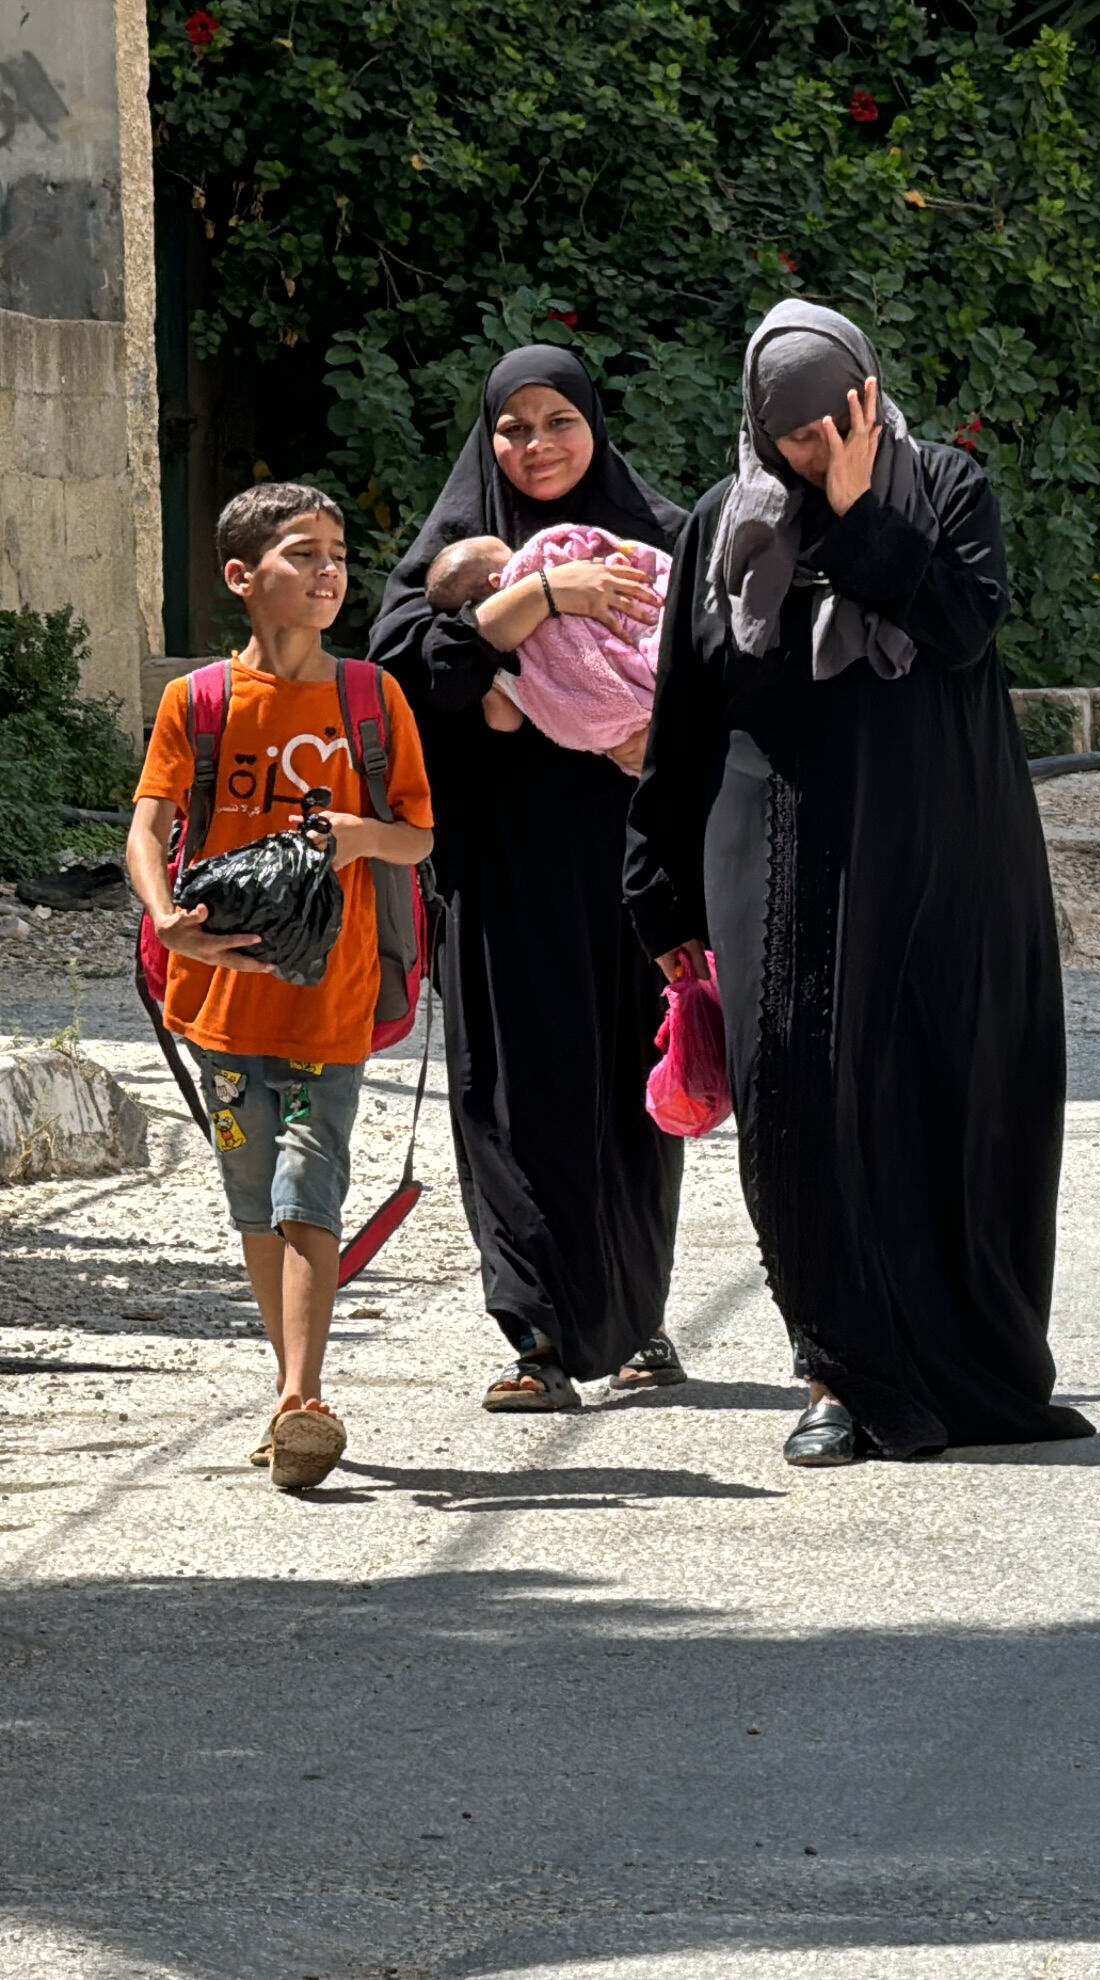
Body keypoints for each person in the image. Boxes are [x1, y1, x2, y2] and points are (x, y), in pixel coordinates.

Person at [625, 299, 1093, 1464]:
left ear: (869, 393)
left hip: (943, 847)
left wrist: (855, 515)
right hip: (773, 853)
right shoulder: (719, 528)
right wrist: (659, 889)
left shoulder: (947, 491)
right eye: (792, 434)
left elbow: (960, 626)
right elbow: (687, 710)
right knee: (795, 1102)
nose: (816, 447)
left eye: (836, 420)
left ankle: (976, 1366)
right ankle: (836, 1371)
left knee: (952, 1088)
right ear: (754, 422)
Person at [373, 347, 694, 1413]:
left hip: (631, 861)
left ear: (594, 425)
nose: (536, 445)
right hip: (504, 866)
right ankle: (537, 1335)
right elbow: (402, 677)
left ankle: (638, 1316)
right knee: (512, 1092)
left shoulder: (662, 537)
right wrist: (538, 599)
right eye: (513, 428)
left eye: (558, 421)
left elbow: (720, 674)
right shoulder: (451, 552)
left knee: (628, 1093)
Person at [128, 483, 437, 1490]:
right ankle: (288, 1384)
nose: (327, 572)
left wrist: (356, 837)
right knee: (250, 1191)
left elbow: (420, 835)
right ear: (240, 577)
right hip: (216, 1007)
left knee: (312, 1186)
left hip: (328, 1004)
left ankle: (303, 1398)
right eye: (302, 554)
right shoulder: (199, 701)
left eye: (337, 554)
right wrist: (166, 915)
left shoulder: (371, 701)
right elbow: (147, 823)